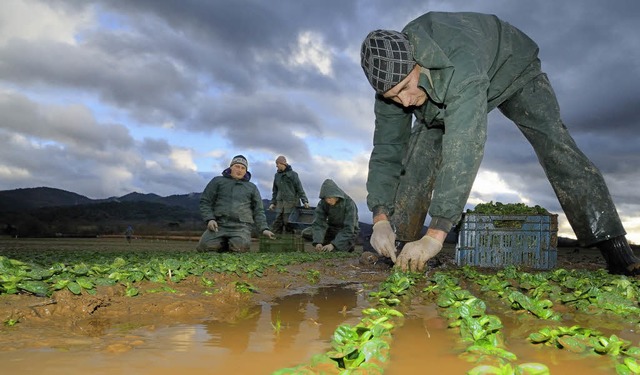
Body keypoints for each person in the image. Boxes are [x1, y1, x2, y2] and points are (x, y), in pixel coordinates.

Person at [360, 11, 640, 275]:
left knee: (554, 144)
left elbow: (464, 143)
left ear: (417, 61)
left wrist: (437, 234)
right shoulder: (392, 92)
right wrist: (380, 218)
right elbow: (387, 150)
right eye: (393, 96)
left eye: (406, 87)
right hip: (439, 96)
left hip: (512, 70)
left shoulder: (459, 59)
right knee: (418, 157)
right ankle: (402, 249)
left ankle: (614, 246)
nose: (405, 101)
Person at [197, 155, 276, 252]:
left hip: (241, 227)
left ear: (246, 171)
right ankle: (221, 245)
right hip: (219, 224)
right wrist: (210, 219)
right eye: (237, 166)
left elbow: (258, 210)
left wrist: (264, 229)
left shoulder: (252, 187)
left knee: (240, 248)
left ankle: (228, 245)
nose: (240, 170)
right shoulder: (217, 181)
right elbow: (205, 202)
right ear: (231, 167)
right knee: (204, 247)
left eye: (243, 168)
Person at [310, 179, 359, 252]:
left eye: (330, 198)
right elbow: (318, 223)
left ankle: (342, 245)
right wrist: (318, 242)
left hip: (347, 232)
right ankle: (328, 243)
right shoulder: (323, 203)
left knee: (334, 250)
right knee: (306, 232)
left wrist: (333, 245)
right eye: (326, 198)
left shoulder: (349, 204)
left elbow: (349, 229)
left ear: (336, 196)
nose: (328, 201)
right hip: (332, 229)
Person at [268, 155, 310, 234]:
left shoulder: (293, 175)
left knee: (288, 225)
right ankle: (275, 243)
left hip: (291, 205)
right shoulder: (277, 176)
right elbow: (275, 191)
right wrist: (273, 203)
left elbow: (299, 188)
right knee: (277, 225)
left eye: (277, 164)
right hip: (280, 205)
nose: (276, 166)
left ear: (283, 163)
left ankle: (288, 244)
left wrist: (305, 201)